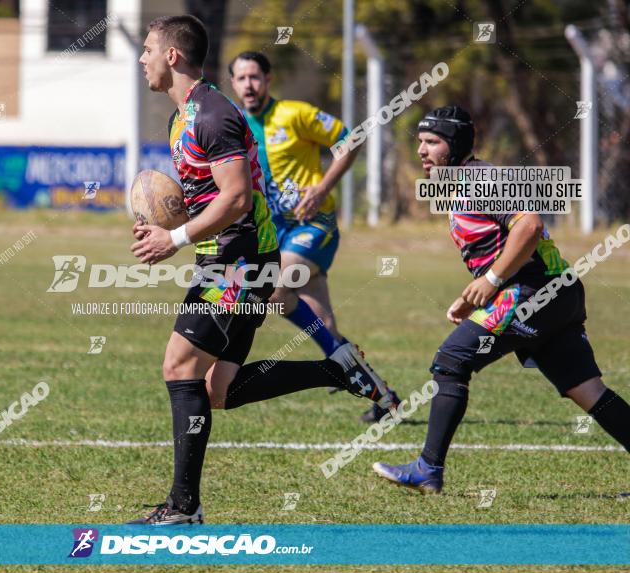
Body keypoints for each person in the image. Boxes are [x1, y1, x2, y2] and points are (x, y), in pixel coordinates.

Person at [128, 15, 397, 524]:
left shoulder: (213, 114)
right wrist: (165, 224)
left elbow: (235, 199)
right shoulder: (179, 119)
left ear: (172, 56)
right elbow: (208, 199)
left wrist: (176, 238)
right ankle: (335, 368)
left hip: (240, 263)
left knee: (178, 368)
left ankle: (184, 508)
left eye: (147, 49)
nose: (141, 58)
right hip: (228, 259)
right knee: (217, 391)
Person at [373, 105, 630, 494]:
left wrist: (492, 281)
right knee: (587, 390)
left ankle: (428, 468)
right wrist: (472, 294)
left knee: (451, 360)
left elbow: (530, 225)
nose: (422, 151)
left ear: (455, 144)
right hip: (553, 292)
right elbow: (497, 246)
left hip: (534, 292)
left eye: (432, 142)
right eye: (420, 142)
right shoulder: (461, 183)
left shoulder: (482, 178)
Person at [229, 51, 399, 422]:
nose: (248, 85)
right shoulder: (235, 125)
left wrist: (322, 188)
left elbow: (350, 140)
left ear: (269, 79)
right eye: (241, 79)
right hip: (276, 235)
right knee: (326, 331)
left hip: (313, 225)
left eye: (255, 76)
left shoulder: (295, 114)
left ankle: (353, 375)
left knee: (274, 288)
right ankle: (384, 396)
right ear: (232, 85)